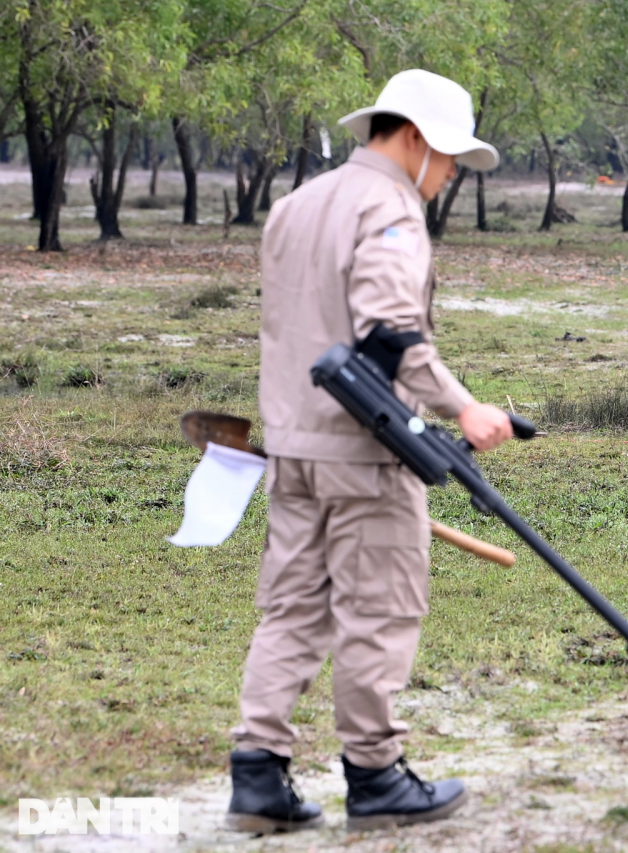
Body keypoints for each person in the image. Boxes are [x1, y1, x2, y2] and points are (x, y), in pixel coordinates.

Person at [225, 69, 513, 834]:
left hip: (291, 446)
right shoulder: (390, 207)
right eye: (448, 158)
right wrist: (465, 406)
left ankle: (257, 776)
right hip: (365, 450)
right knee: (378, 610)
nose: (448, 176)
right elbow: (388, 330)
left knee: (290, 608)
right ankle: (377, 775)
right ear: (413, 139)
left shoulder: (295, 205)